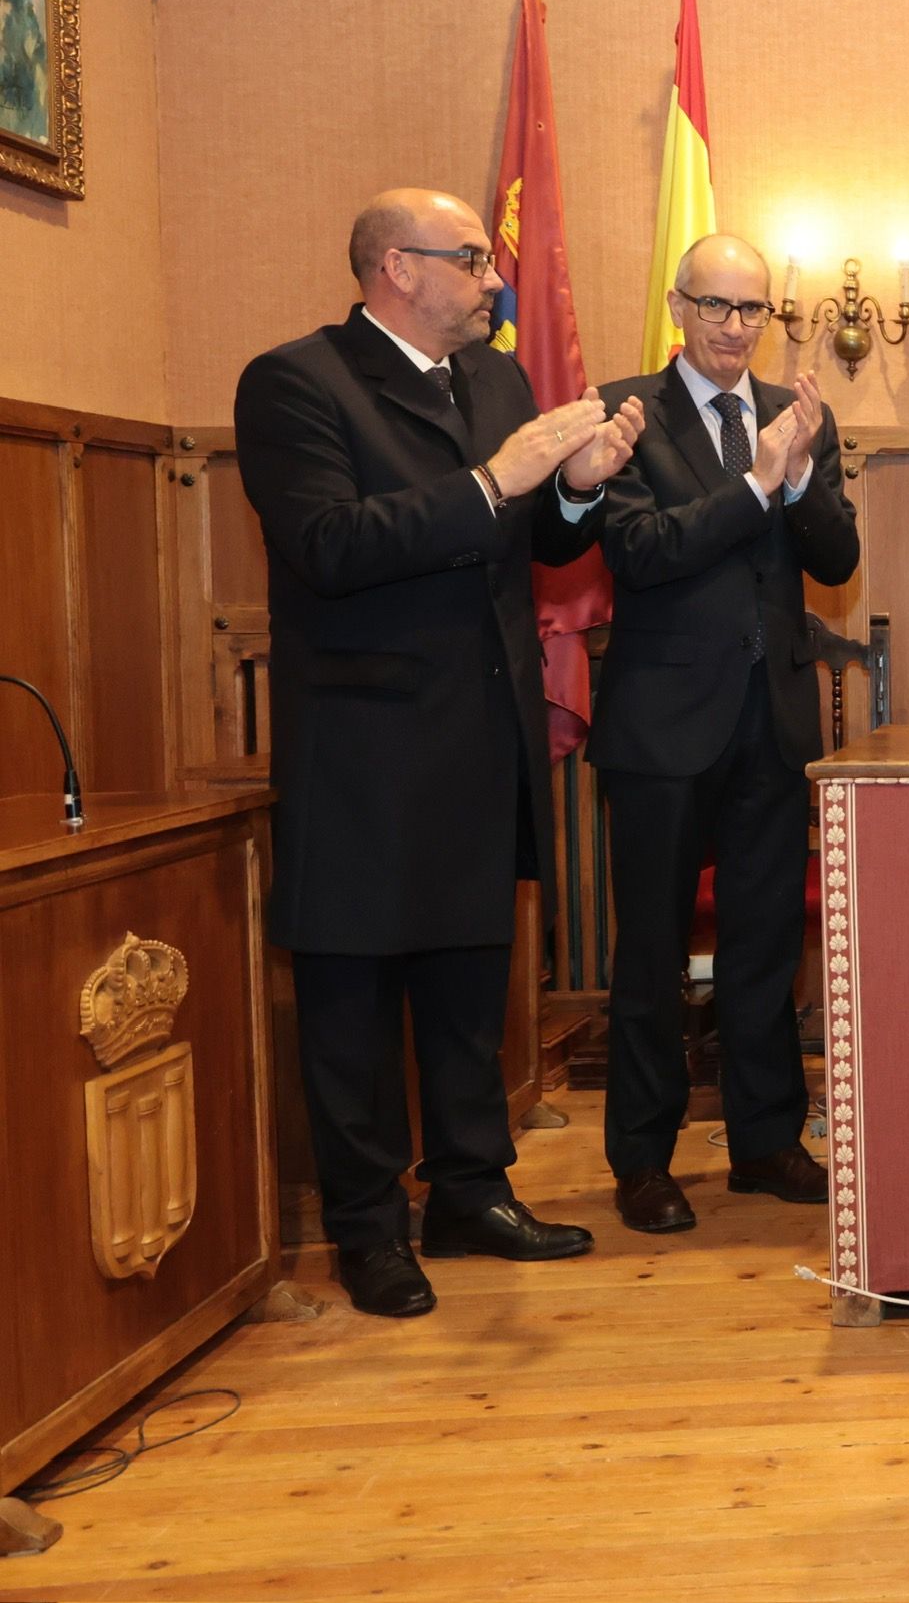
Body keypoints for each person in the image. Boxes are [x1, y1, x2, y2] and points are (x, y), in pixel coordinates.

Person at [233, 188, 645, 1317]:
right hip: (363, 749)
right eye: (469, 259)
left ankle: (471, 1190)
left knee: (468, 986)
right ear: (393, 268)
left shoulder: (497, 383)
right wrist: (495, 479)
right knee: (354, 1005)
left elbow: (535, 545)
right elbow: (328, 545)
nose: (493, 280)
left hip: (479, 732)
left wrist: (576, 485)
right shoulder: (296, 383)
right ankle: (370, 1229)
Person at [587, 234, 862, 1236]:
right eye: (716, 306)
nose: (735, 328)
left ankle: (764, 1142)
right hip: (661, 726)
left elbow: (837, 558)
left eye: (752, 311)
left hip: (770, 720)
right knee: (653, 953)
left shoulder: (796, 418)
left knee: (760, 945)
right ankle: (643, 1161)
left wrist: (796, 481)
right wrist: (752, 485)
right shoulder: (625, 411)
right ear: (676, 304)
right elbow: (640, 550)